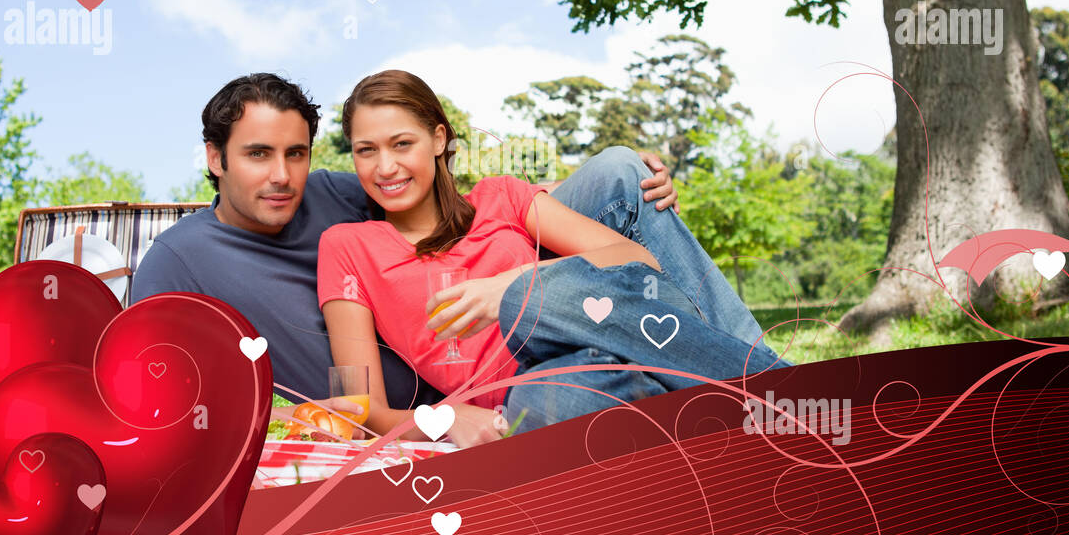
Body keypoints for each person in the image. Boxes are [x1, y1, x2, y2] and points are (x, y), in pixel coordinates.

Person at [131, 72, 686, 435]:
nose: (281, 177)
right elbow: (148, 387)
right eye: (257, 155)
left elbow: (459, 208)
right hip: (430, 395)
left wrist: (620, 188)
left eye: (295, 153)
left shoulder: (339, 191)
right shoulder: (178, 260)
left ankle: (752, 380)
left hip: (503, 322)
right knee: (558, 396)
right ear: (215, 157)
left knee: (620, 174)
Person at [317, 70, 790, 449]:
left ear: (438, 139)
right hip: (537, 385)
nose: (385, 167)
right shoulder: (347, 246)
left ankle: (776, 388)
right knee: (564, 404)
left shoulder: (503, 197)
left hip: (614, 328)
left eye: (402, 144)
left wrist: (510, 285)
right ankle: (733, 428)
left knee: (530, 292)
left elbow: (635, 259)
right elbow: (361, 409)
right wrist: (445, 416)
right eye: (366, 151)